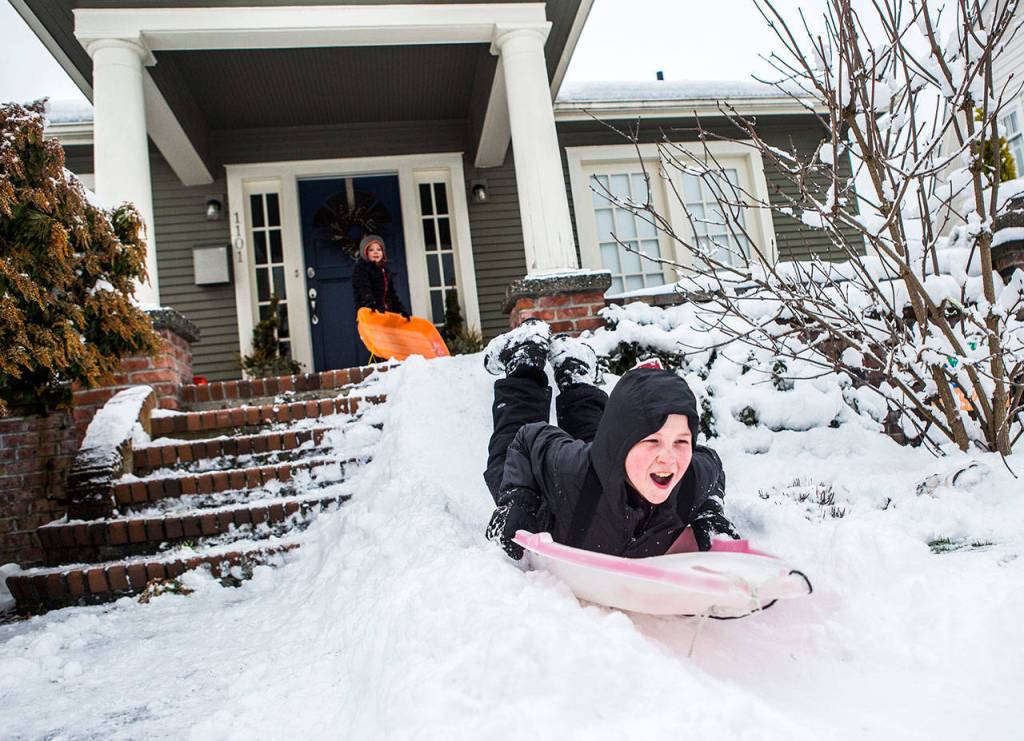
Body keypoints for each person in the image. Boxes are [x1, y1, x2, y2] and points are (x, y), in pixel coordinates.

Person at [483, 319, 739, 560]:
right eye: (653, 441)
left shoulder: (689, 483)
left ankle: (575, 375)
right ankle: (524, 359)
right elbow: (527, 439)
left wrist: (710, 512)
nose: (669, 457)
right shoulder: (570, 472)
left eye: (681, 442)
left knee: (599, 442)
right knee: (504, 468)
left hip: (610, 470)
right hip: (565, 500)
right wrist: (518, 500)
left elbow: (712, 464)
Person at [352, 234, 410, 319]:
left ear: (383, 253)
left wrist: (401, 310)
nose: (376, 252)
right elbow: (363, 288)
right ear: (365, 253)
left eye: (379, 249)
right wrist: (369, 302)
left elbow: (392, 295)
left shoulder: (385, 271)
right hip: (371, 312)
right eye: (371, 250)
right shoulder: (362, 269)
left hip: (386, 313)